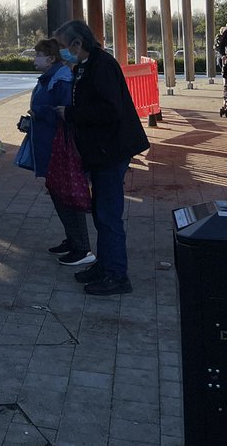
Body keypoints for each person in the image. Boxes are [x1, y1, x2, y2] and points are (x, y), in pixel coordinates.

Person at [54, 20, 150, 297]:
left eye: (63, 46)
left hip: (111, 150)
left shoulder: (101, 66)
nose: (61, 52)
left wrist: (70, 114)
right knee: (100, 213)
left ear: (77, 44)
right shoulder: (87, 65)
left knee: (108, 216)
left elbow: (110, 110)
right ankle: (105, 264)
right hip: (102, 151)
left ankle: (116, 275)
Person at [20, 38, 93, 267]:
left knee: (66, 194)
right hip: (49, 143)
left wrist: (40, 113)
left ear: (51, 58)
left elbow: (64, 113)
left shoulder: (60, 79)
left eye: (38, 54)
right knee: (58, 192)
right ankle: (73, 240)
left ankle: (82, 247)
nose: (35, 58)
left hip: (58, 147)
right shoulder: (51, 77)